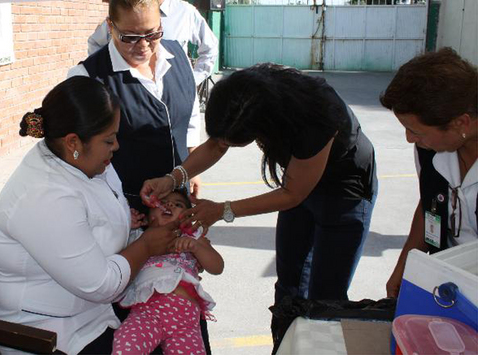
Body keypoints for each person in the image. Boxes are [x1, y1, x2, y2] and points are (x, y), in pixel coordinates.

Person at [141, 63, 378, 345]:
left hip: (343, 192)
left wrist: (222, 210)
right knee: (289, 284)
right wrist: (172, 178)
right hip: (300, 181)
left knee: (327, 296)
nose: (224, 145)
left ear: (264, 126)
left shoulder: (315, 116)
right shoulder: (246, 93)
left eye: (232, 141)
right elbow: (217, 145)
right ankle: (285, 346)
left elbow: (292, 194)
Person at [0, 76, 180, 355]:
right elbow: (101, 285)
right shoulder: (45, 195)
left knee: (182, 317)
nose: (116, 146)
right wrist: (148, 244)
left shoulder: (85, 161)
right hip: (48, 335)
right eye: (109, 140)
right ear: (73, 142)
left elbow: (102, 213)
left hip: (92, 312)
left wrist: (138, 226)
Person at [69, 0, 201, 208]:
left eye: (152, 34)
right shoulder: (87, 76)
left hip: (178, 200)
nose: (143, 46)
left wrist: (192, 170)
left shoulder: (179, 56)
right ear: (110, 26)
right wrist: (111, 207)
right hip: (125, 206)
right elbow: (80, 154)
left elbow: (191, 119)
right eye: (130, 37)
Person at [380, 48, 477, 298]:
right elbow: (429, 204)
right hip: (448, 280)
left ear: (461, 123)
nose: (409, 138)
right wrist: (406, 266)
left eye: (415, 131)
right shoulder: (429, 150)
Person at [113, 189, 223, 355]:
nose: (170, 205)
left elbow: (217, 267)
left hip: (184, 317)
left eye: (178, 205)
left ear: (188, 218)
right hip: (146, 312)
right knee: (125, 346)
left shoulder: (193, 237)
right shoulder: (138, 237)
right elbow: (116, 261)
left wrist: (196, 247)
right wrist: (128, 224)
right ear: (148, 217)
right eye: (162, 203)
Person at [87, 0, 219, 85]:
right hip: (130, 88)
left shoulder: (185, 12)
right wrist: (104, 79)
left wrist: (192, 80)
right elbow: (96, 43)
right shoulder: (125, 11)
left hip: (174, 88)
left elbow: (210, 48)